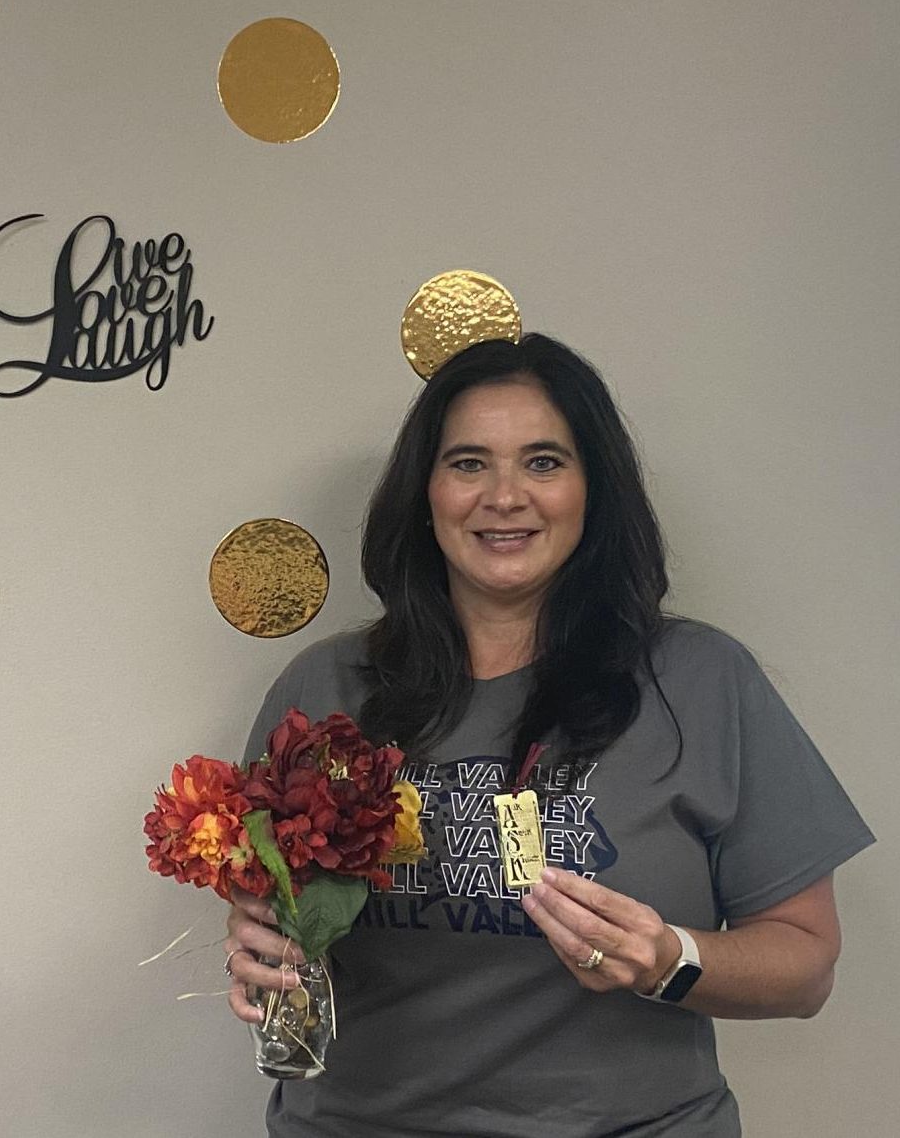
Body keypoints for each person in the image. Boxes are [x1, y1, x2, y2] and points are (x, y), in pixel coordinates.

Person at [223, 334, 873, 1138]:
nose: (504, 496)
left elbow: (805, 967)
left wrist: (671, 960)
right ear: (423, 493)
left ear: (592, 489)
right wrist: (259, 941)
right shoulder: (323, 690)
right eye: (468, 463)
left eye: (543, 462)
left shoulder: (702, 681)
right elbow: (270, 905)